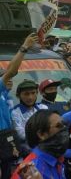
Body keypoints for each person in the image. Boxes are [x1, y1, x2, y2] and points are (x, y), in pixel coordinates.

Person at [0, 34, 37, 179]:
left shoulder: (4, 93)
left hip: (5, 142)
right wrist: (24, 47)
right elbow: (12, 71)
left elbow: (10, 71)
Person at [14, 110, 68, 179]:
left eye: (64, 125)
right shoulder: (31, 171)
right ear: (41, 134)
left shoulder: (56, 158)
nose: (64, 129)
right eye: (59, 126)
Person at [12, 80, 48, 156]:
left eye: (33, 93)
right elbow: (21, 134)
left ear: (37, 93)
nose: (30, 97)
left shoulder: (44, 108)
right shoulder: (15, 113)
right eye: (26, 94)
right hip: (29, 152)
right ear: (18, 96)